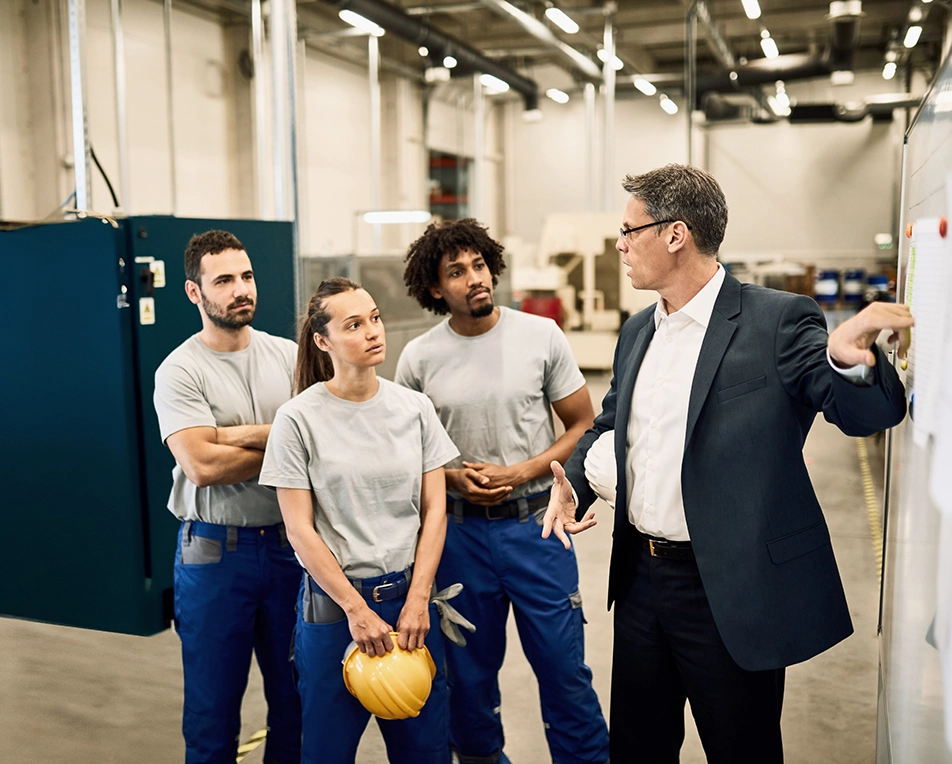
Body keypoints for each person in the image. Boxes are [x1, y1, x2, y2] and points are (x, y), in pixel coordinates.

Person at [542, 164, 914, 763]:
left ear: (675, 234)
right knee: (637, 748)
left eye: (629, 229)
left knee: (742, 749)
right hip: (640, 578)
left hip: (727, 589)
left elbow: (861, 416)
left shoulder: (776, 320)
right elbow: (613, 423)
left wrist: (852, 362)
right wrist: (577, 487)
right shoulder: (640, 329)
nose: (620, 244)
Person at [395, 219, 611, 764]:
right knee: (467, 680)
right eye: (456, 272)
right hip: (459, 537)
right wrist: (450, 476)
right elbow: (408, 453)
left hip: (537, 527)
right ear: (436, 288)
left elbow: (582, 425)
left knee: (565, 671)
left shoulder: (540, 336)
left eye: (479, 265)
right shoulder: (418, 359)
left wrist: (521, 471)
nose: (474, 278)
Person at [258, 278, 459, 764]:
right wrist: (354, 608)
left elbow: (435, 511)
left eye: (374, 317)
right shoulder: (297, 419)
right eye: (354, 324)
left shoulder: (415, 409)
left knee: (425, 753)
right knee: (327, 753)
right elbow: (299, 530)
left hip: (409, 606)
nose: (373, 331)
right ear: (323, 341)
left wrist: (416, 601)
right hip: (334, 614)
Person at [153, 230, 301, 764]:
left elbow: (320, 446)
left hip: (292, 549)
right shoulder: (179, 371)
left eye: (246, 276)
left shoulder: (290, 357)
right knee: (212, 716)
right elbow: (201, 465)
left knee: (297, 703)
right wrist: (283, 437)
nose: (241, 289)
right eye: (224, 281)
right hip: (215, 556)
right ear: (195, 292)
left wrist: (226, 433)